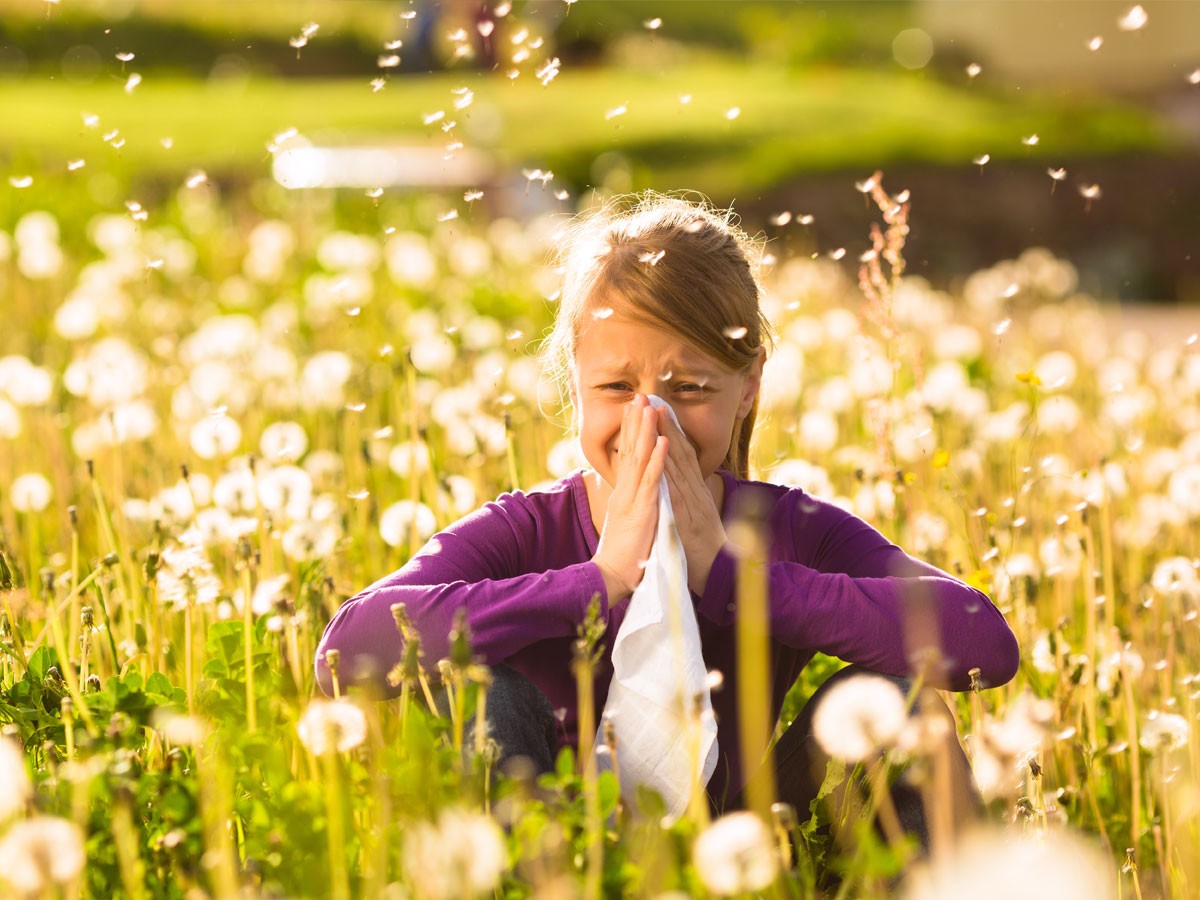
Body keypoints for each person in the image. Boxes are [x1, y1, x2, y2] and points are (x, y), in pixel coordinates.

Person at [314, 193, 1020, 825]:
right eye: (618, 386)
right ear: (576, 384)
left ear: (748, 388)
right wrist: (599, 580)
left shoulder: (785, 529)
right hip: (551, 839)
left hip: (750, 839)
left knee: (903, 704)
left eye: (689, 389)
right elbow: (345, 653)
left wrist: (738, 578)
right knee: (484, 694)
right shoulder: (529, 529)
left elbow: (984, 643)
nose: (651, 421)